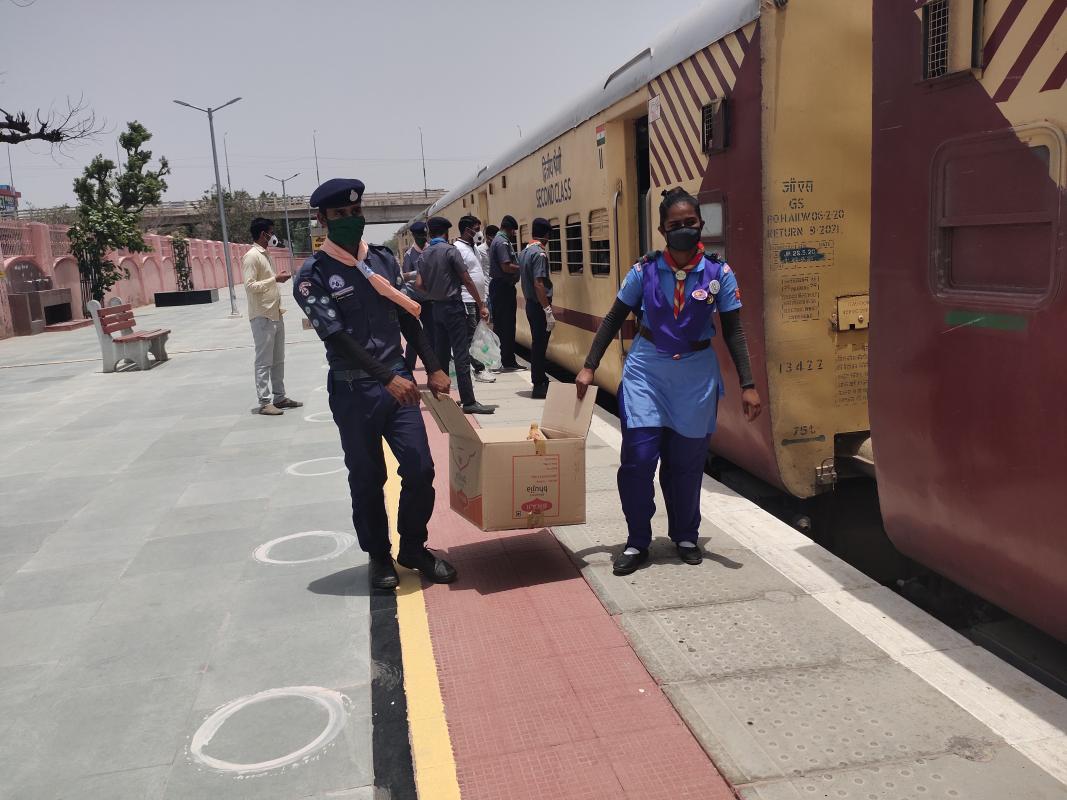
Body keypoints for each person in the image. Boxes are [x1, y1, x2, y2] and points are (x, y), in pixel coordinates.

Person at [576, 188, 763, 575]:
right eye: (675, 225)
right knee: (638, 460)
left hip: (695, 377)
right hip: (647, 372)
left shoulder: (719, 274)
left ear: (701, 225)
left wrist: (748, 384)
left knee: (686, 464)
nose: (683, 230)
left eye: (690, 223)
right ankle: (637, 541)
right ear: (662, 230)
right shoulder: (643, 271)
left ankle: (685, 536)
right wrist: (589, 366)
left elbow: (734, 331)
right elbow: (614, 318)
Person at [294, 178, 458, 590]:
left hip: (399, 386)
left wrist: (434, 366)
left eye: (355, 212)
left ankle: (413, 547)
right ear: (323, 220)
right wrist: (386, 378)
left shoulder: (382, 260)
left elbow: (407, 316)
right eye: (340, 214)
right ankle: (379, 555)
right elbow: (336, 337)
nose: (351, 219)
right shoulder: (313, 275)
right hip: (355, 391)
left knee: (420, 467)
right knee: (368, 478)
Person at [415, 216, 496, 414]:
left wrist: (433, 293)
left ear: (430, 233)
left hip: (436, 309)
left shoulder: (424, 255)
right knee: (461, 356)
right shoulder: (450, 251)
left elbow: (418, 285)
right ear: (446, 233)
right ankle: (468, 401)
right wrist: (481, 304)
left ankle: (442, 400)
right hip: (453, 308)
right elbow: (467, 280)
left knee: (441, 355)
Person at [242, 217, 302, 416]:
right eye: (271, 232)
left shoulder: (265, 255)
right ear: (263, 234)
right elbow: (250, 286)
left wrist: (275, 280)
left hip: (275, 313)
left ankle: (280, 397)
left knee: (278, 359)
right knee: (263, 361)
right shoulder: (251, 256)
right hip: (262, 315)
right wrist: (274, 279)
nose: (273, 236)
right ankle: (264, 402)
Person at [454, 215, 496, 383]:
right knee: (472, 336)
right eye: (477, 229)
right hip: (467, 299)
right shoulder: (457, 248)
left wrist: (483, 300)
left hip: (478, 299)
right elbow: (464, 278)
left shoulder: (474, 248)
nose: (479, 233)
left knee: (478, 335)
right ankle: (478, 369)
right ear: (467, 230)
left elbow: (480, 273)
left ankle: (476, 366)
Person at [519, 217, 556, 399]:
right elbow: (539, 284)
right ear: (546, 235)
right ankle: (540, 383)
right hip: (539, 305)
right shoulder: (539, 254)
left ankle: (539, 380)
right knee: (540, 346)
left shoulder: (524, 252)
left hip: (530, 305)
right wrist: (547, 310)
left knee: (537, 343)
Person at [488, 215, 525, 371]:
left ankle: (502, 359)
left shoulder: (497, 240)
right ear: (508, 229)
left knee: (501, 326)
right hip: (503, 288)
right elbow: (506, 266)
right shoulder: (502, 242)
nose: (514, 234)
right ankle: (508, 361)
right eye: (513, 231)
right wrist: (523, 267)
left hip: (500, 288)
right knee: (507, 326)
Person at [401, 221, 434, 372]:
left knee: (432, 333)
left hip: (429, 299)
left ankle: (433, 366)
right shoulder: (409, 255)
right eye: (420, 235)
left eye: (424, 235)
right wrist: (419, 272)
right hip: (414, 299)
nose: (423, 238)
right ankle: (409, 366)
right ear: (414, 235)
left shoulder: (432, 250)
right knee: (414, 333)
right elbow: (404, 276)